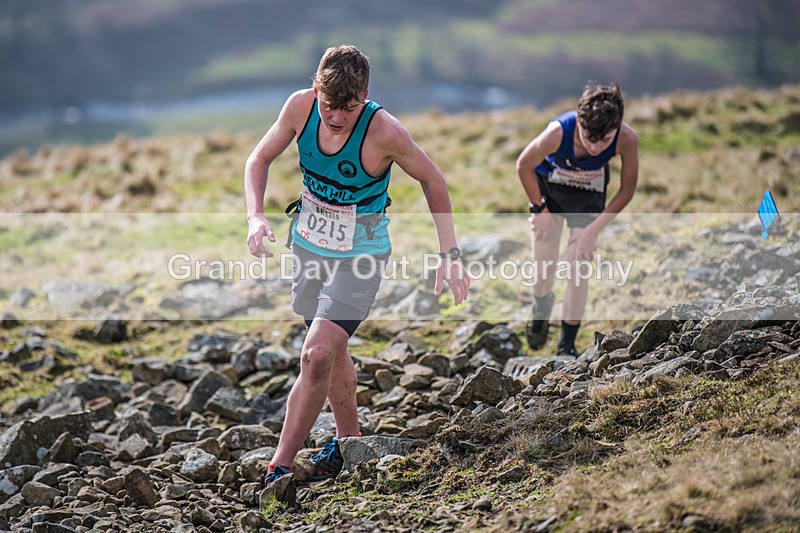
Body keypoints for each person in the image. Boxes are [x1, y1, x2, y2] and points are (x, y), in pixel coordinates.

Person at [244, 45, 470, 488]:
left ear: (364, 95)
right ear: (316, 89)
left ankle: (279, 468)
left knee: (317, 353)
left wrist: (450, 254)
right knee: (331, 347)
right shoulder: (299, 107)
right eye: (328, 105)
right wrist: (255, 214)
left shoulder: (385, 131)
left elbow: (432, 179)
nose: (334, 118)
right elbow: (258, 158)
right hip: (308, 247)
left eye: (347, 108)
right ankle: (350, 443)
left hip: (360, 256)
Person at [516, 82, 638, 356]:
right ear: (580, 122)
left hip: (587, 197)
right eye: (587, 138)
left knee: (578, 267)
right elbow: (523, 164)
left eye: (604, 141)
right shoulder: (559, 131)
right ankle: (541, 304)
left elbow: (627, 190)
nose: (594, 148)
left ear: (616, 127)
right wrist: (539, 209)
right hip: (550, 191)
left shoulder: (627, 138)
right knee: (544, 269)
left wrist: (592, 231)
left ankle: (566, 346)